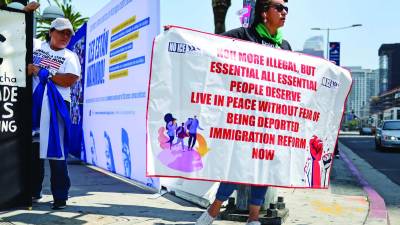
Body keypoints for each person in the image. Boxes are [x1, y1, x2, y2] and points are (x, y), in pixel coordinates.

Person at [196, 0, 290, 224]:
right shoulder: (243, 36)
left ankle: (253, 219)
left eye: (286, 8)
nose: (284, 12)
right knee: (238, 165)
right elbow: (210, 45)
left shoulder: (285, 46)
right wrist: (178, 36)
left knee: (264, 167)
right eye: (279, 7)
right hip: (244, 119)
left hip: (271, 120)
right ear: (264, 13)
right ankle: (213, 210)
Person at [28, 17, 81, 210]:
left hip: (56, 107)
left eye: (68, 33)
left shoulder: (70, 56)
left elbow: (69, 80)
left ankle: (60, 196)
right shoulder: (36, 46)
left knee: (56, 153)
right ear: (51, 31)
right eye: (61, 32)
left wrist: (45, 73)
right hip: (33, 106)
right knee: (33, 151)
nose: (65, 36)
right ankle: (33, 191)